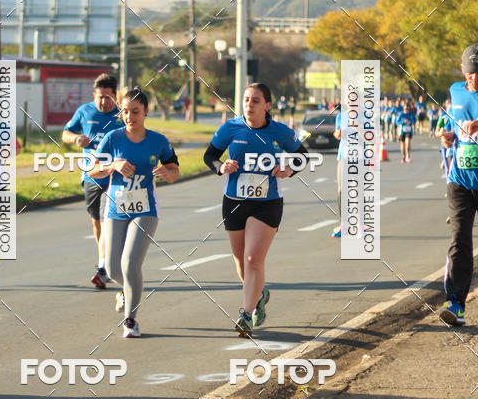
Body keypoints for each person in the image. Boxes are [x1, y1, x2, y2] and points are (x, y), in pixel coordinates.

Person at [203, 83, 307, 337]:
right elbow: (210, 156)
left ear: (267, 105)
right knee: (240, 261)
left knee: (253, 259)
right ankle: (261, 295)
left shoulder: (280, 132)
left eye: (256, 101)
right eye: (246, 100)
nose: (249, 105)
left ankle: (245, 315)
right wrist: (221, 167)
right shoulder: (230, 128)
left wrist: (288, 170)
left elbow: (302, 157)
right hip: (234, 200)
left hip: (267, 202)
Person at [91, 87, 180, 338]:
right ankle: (126, 291)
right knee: (111, 269)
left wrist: (167, 173)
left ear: (146, 112)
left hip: (146, 209)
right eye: (126, 112)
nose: (130, 117)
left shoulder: (158, 141)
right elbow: (92, 170)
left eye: (136, 112)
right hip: (116, 208)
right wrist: (112, 165)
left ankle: (130, 319)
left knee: (130, 264)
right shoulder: (112, 138)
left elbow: (175, 169)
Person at [62, 74, 123, 289]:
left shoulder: (122, 114)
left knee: (109, 219)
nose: (104, 102)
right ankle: (105, 261)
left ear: (115, 96)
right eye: (100, 97)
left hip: (116, 175)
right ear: (94, 95)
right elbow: (65, 133)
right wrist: (76, 139)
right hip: (91, 173)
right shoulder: (84, 111)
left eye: (108, 97)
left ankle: (103, 266)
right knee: (97, 220)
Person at [439, 45, 478, 326]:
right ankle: (455, 303)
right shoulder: (456, 91)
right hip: (461, 179)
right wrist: (449, 136)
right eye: (469, 72)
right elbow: (454, 125)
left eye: (477, 73)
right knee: (460, 239)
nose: (473, 78)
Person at [332, 108, 342, 237]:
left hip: (359, 157)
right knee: (341, 191)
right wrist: (337, 133)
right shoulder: (341, 116)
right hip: (343, 156)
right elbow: (336, 133)